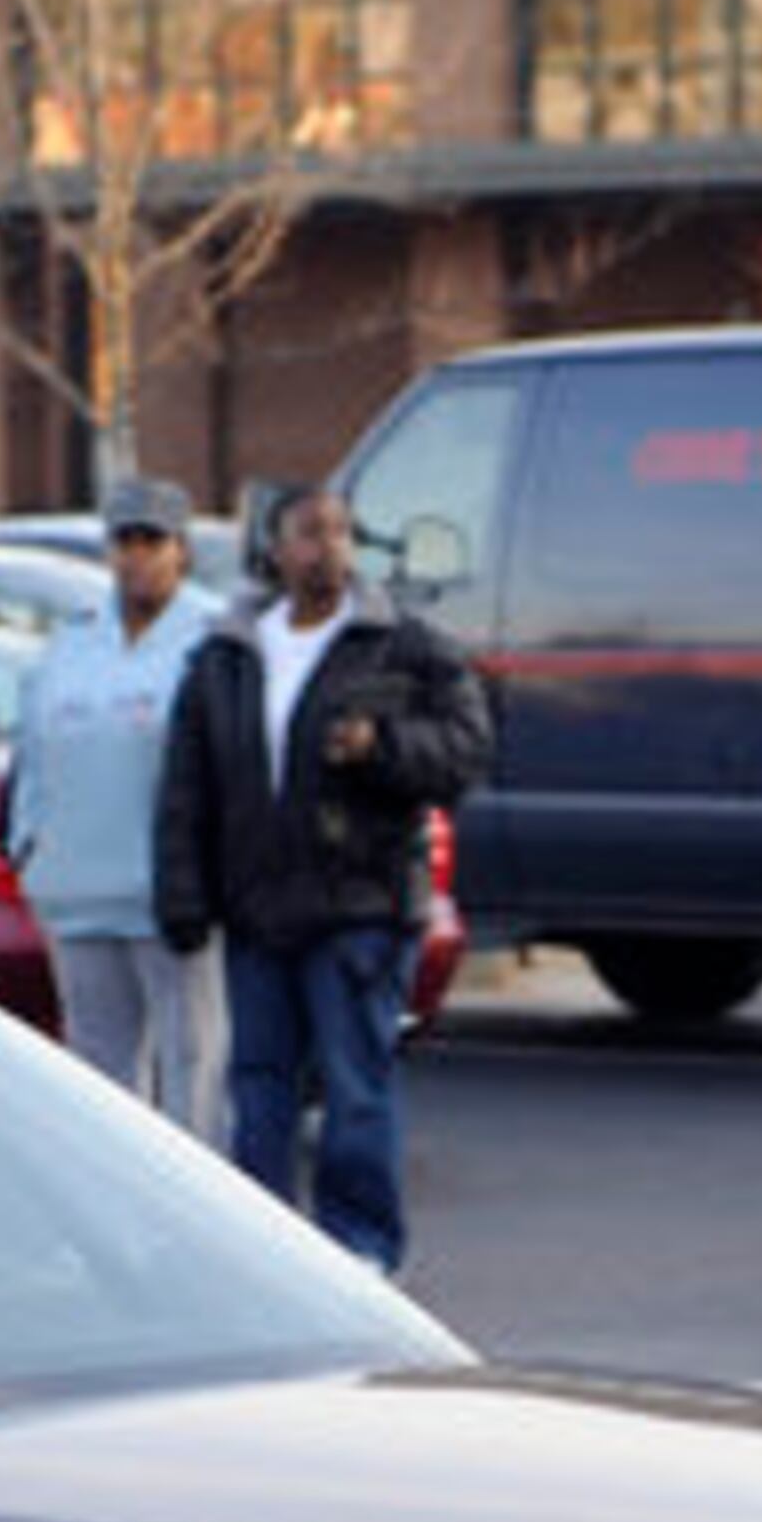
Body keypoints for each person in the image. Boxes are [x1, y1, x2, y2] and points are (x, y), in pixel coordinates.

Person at [155, 483, 491, 1269]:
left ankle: (361, 1250)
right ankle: (268, 1257)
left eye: (341, 532)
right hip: (258, 912)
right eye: (311, 532)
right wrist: (183, 893)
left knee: (355, 1090)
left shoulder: (403, 645)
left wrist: (382, 749)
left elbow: (466, 751)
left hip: (360, 908)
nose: (329, 547)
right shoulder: (230, 651)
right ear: (274, 548)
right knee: (260, 1089)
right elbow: (187, 783)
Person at [6, 473, 224, 1130]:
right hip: (77, 892)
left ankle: (198, 1216)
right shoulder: (74, 636)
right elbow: (35, 746)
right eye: (123, 540)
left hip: (173, 896)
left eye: (151, 540)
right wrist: (27, 842)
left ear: (181, 550)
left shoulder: (211, 638)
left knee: (194, 1066)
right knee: (98, 1075)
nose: (135, 555)